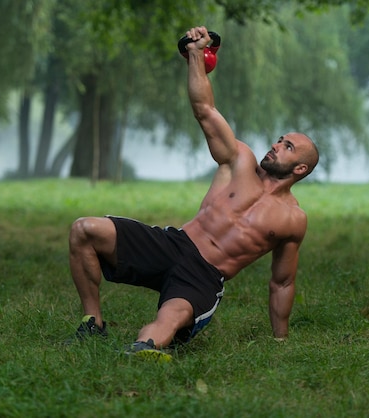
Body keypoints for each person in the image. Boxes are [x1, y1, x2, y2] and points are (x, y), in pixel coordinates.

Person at [67, 26, 319, 358]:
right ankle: (93, 323)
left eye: (287, 147)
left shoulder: (292, 219)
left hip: (204, 275)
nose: (275, 145)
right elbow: (205, 109)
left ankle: (143, 349)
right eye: (279, 139)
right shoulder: (237, 159)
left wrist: (280, 342)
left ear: (300, 168)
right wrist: (196, 53)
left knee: (169, 319)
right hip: (174, 244)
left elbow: (282, 282)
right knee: (84, 229)